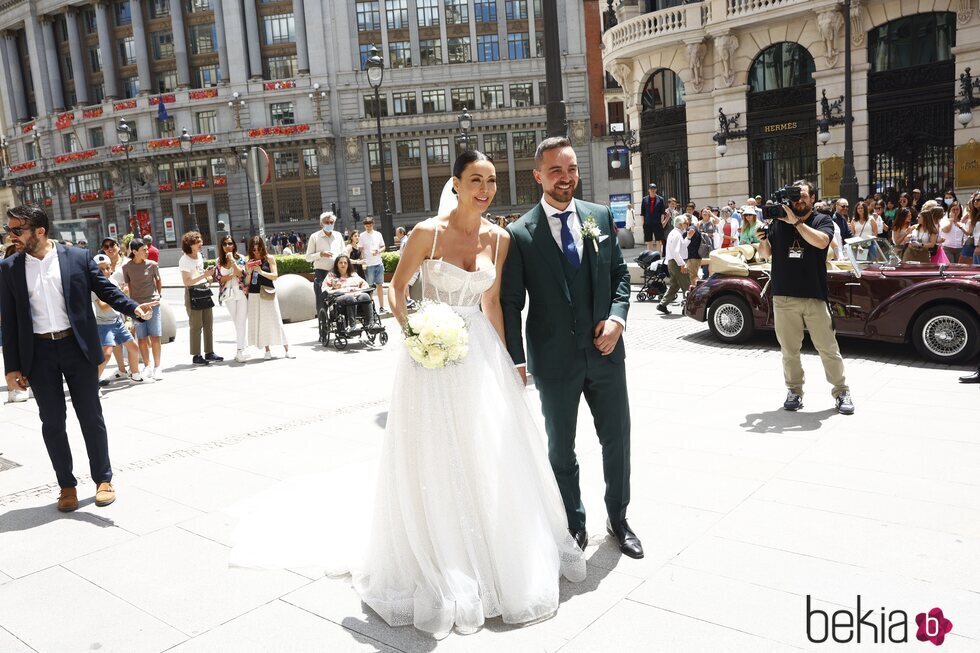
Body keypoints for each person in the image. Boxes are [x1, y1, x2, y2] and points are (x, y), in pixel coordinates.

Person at [502, 137, 641, 559]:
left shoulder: (598, 217)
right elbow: (510, 303)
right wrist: (516, 361)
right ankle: (573, 524)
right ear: (538, 176)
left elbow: (619, 275)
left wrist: (617, 319)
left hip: (604, 354)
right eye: (557, 171)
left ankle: (618, 518)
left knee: (617, 439)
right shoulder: (520, 234)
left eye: (572, 169)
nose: (566, 179)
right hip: (554, 361)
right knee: (561, 448)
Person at [0, 206, 158, 511]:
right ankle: (67, 486)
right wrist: (12, 368)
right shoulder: (8, 268)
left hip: (78, 347)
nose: (11, 236)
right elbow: (9, 321)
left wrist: (133, 308)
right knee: (53, 422)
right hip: (39, 353)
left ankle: (103, 479)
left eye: (17, 230)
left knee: (90, 416)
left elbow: (106, 290)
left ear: (39, 231)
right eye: (9, 230)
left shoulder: (75, 258)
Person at [756, 181, 853, 415]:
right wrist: (762, 239)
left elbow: (821, 242)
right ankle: (794, 391)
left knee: (828, 348)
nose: (798, 200)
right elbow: (765, 254)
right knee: (789, 350)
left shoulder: (822, 220)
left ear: (812, 198)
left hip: (813, 295)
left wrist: (797, 222)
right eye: (794, 196)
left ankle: (841, 391)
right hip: (783, 296)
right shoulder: (778, 222)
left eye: (803, 196)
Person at [92, 254, 145, 385]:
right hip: (103, 324)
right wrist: (118, 294)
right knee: (106, 354)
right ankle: (93, 384)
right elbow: (103, 307)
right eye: (101, 269)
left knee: (133, 347)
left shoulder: (114, 282)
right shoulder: (94, 286)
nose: (105, 271)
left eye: (107, 268)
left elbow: (123, 303)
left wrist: (127, 319)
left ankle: (135, 376)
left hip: (117, 321)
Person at [245, 235, 293, 360]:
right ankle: (267, 350)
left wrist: (261, 272)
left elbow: (275, 275)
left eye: (259, 249)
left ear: (263, 248)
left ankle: (287, 349)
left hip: (268, 291)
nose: (256, 252)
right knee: (261, 322)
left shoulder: (269, 258)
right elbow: (247, 281)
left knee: (275, 319)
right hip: (254, 293)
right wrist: (249, 271)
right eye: (254, 250)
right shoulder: (249, 261)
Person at [179, 231, 223, 366]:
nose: (201, 244)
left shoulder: (199, 256)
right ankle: (196, 355)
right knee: (196, 326)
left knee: (208, 324)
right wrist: (204, 276)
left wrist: (208, 276)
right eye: (197, 242)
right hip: (192, 293)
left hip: (203, 289)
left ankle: (209, 352)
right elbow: (187, 281)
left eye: (200, 241)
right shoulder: (184, 260)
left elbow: (198, 272)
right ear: (190, 244)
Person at [123, 239, 164, 379]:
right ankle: (147, 366)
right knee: (141, 337)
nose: (147, 252)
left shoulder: (152, 265)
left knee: (155, 336)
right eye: (144, 250)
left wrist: (159, 296)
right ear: (134, 252)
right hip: (137, 307)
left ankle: (158, 367)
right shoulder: (127, 267)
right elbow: (128, 286)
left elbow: (158, 281)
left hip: (153, 304)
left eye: (147, 249)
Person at [215, 235, 249, 362]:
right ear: (222, 247)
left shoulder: (240, 258)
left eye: (230, 243)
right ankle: (243, 346)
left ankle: (240, 351)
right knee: (237, 322)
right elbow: (219, 279)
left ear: (234, 245)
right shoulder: (219, 261)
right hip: (228, 294)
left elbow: (241, 273)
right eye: (225, 244)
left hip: (241, 293)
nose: (227, 246)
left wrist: (232, 262)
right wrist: (231, 274)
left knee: (241, 321)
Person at [305, 211, 345, 315]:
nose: (329, 224)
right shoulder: (314, 237)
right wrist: (321, 254)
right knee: (322, 300)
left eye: (331, 222)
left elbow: (344, 253)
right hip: (321, 273)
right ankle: (323, 322)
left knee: (339, 298)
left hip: (336, 272)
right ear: (321, 223)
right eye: (326, 222)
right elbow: (308, 257)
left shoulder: (338, 236)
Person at [657, 216, 693, 314]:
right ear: (680, 224)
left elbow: (681, 248)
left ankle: (662, 304)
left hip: (673, 262)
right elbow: (676, 252)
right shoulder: (676, 234)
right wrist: (682, 264)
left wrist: (688, 237)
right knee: (686, 285)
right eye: (686, 223)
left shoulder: (675, 233)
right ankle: (686, 308)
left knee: (675, 285)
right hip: (677, 262)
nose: (687, 225)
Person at [323, 255, 373, 326]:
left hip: (356, 295)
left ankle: (370, 324)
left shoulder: (353, 274)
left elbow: (365, 284)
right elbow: (326, 288)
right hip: (340, 298)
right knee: (350, 298)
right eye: (340, 263)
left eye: (345, 263)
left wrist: (359, 290)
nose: (343, 264)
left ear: (348, 264)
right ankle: (352, 325)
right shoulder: (331, 275)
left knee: (365, 296)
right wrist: (337, 289)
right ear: (337, 264)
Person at [360, 216, 387, 313]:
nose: (369, 227)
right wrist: (363, 261)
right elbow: (361, 249)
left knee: (380, 285)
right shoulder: (362, 236)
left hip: (378, 262)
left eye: (370, 225)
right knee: (370, 287)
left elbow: (383, 246)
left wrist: (378, 251)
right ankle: (370, 308)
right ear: (364, 226)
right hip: (369, 264)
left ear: (373, 224)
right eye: (367, 225)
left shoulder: (378, 234)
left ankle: (382, 306)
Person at [640, 182, 666, 253]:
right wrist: (643, 223)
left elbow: (662, 212)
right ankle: (650, 257)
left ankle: (658, 256)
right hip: (647, 223)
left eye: (654, 189)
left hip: (657, 223)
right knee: (649, 241)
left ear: (656, 190)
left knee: (658, 241)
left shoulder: (660, 199)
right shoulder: (644, 199)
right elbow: (642, 212)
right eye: (651, 189)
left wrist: (661, 222)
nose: (652, 190)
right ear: (648, 190)